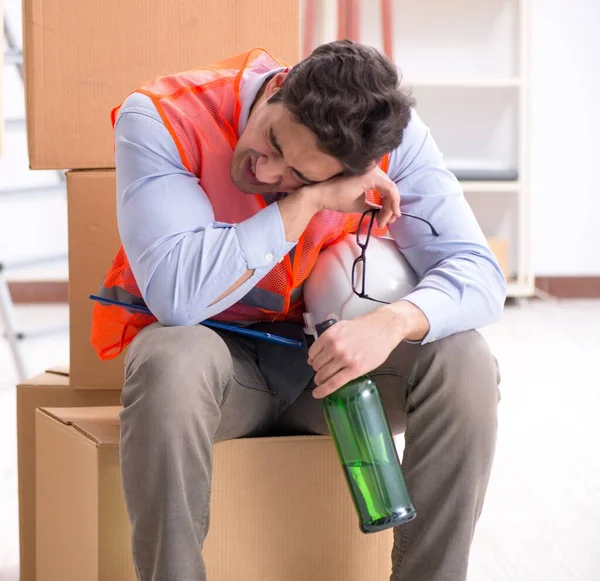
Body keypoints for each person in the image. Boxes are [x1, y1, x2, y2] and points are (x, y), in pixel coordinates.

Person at [94, 40, 505, 581]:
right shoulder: (164, 116)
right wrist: (308, 199)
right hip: (218, 374)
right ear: (277, 86)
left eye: (300, 174)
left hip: (336, 372)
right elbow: (176, 296)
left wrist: (392, 323)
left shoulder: (392, 143)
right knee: (170, 356)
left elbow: (479, 272)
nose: (266, 172)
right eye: (272, 141)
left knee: (465, 359)